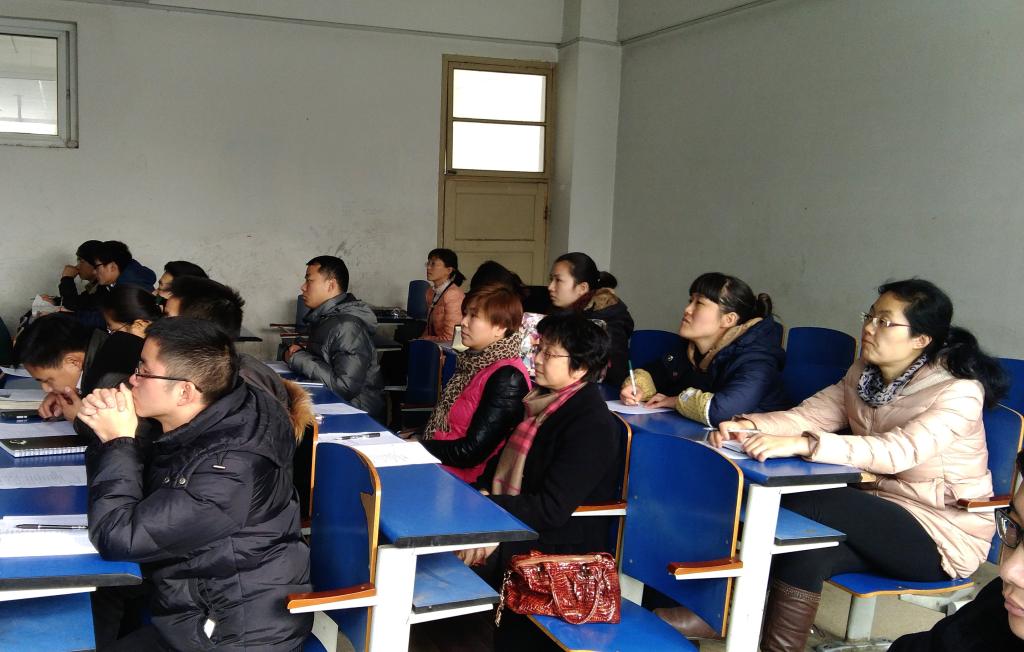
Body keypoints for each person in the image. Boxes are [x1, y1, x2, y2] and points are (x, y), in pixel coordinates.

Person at [711, 279, 1007, 652]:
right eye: (870, 316)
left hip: (940, 533)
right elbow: (810, 415)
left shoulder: (958, 391)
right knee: (805, 553)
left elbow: (899, 451)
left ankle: (716, 607)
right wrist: (750, 426)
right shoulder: (864, 373)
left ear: (921, 339)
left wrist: (807, 444)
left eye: (885, 321)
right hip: (879, 510)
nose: (869, 327)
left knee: (808, 501)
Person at [78, 318, 312, 651]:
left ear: (185, 391)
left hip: (231, 635)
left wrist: (117, 441)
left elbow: (119, 537)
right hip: (193, 608)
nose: (132, 379)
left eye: (144, 371)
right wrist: (106, 425)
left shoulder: (229, 468)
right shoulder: (208, 415)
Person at [457, 312, 622, 651]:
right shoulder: (539, 405)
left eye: (549, 353)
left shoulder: (591, 424)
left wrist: (488, 514)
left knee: (436, 558)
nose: (538, 359)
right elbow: (495, 473)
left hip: (557, 546)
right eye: (538, 349)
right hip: (521, 522)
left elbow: (551, 509)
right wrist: (483, 504)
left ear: (579, 368)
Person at [889, 451, 1024, 651]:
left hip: (945, 537)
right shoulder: (995, 608)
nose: (1008, 571)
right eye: (1015, 527)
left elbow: (890, 453)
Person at [620, 272, 789, 426]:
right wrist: (637, 389)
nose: (687, 310)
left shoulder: (757, 360)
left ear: (729, 319)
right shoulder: (691, 348)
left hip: (749, 446)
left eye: (699, 303)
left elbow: (722, 411)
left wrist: (676, 401)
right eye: (690, 301)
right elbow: (655, 372)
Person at [166, 275, 315, 440]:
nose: (157, 327)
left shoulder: (240, 389)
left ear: (198, 331)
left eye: (167, 319)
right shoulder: (207, 373)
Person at [420, 285, 531, 483]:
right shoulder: (473, 363)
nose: (463, 322)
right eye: (465, 314)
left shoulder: (507, 377)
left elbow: (471, 452)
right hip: (442, 464)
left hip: (465, 481)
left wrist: (420, 447)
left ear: (500, 328)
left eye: (473, 316)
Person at [284, 255, 385, 420]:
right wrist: (300, 354)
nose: (303, 287)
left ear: (331, 285)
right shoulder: (326, 319)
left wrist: (299, 358)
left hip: (356, 414)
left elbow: (344, 387)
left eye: (309, 280)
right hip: (334, 405)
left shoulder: (346, 326)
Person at [13, 313, 128, 422]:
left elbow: (126, 433)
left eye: (48, 380)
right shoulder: (98, 351)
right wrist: (67, 394)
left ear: (73, 362)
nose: (46, 389)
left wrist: (80, 419)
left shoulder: (113, 381)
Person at [547, 252, 634, 386]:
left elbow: (611, 375)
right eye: (551, 280)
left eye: (558, 280)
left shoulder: (607, 321)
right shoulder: (561, 313)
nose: (550, 287)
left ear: (582, 288)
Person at [422, 247, 466, 342]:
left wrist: (425, 339)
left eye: (433, 264)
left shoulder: (453, 294)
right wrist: (420, 340)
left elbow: (451, 338)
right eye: (428, 263)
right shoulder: (430, 292)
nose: (428, 267)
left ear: (449, 270)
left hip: (448, 347)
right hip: (435, 343)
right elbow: (429, 328)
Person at [53, 239, 104, 311]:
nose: (77, 266)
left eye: (81, 261)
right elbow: (81, 301)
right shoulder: (95, 286)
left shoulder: (104, 289)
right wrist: (54, 301)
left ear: (95, 263)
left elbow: (73, 305)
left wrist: (67, 279)